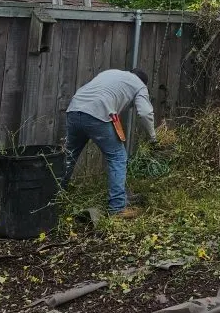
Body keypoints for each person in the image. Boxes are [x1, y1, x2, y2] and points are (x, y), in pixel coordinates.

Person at [63, 68, 157, 219]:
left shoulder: (111, 73)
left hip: (74, 109)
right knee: (118, 157)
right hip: (97, 113)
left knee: (68, 156)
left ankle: (55, 198)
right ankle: (117, 208)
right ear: (143, 82)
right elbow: (145, 113)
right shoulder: (140, 85)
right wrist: (153, 138)